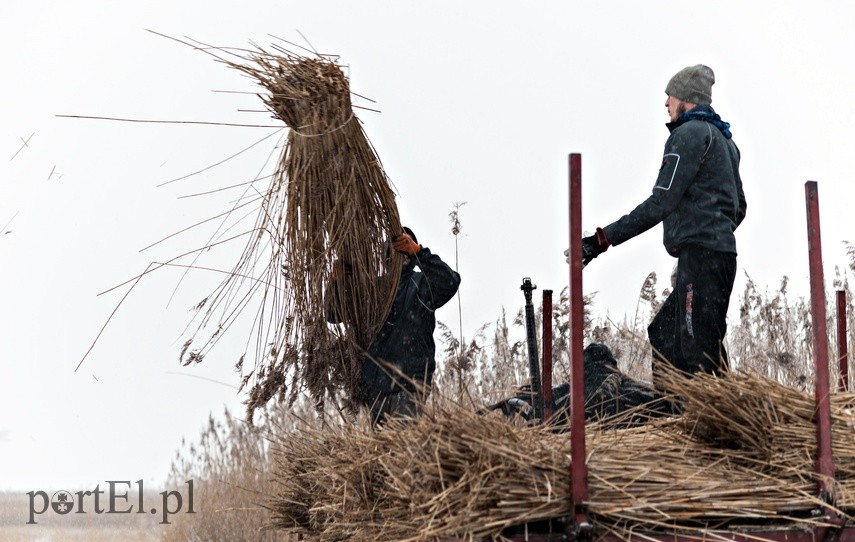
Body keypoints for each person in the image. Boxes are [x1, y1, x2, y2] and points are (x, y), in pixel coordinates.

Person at [574, 64, 747, 386]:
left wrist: (601, 240)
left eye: (671, 96)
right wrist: (711, 233)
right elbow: (740, 207)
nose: (666, 103)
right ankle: (675, 412)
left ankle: (707, 423)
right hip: (717, 255)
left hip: (702, 257)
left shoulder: (690, 134)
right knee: (666, 332)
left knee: (698, 350)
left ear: (686, 99)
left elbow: (661, 202)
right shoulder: (726, 141)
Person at [328, 227, 461, 425]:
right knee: (383, 453)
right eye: (396, 248)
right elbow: (333, 314)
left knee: (403, 443)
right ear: (386, 257)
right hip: (377, 389)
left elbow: (450, 282)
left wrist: (419, 252)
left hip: (410, 385)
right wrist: (336, 283)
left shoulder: (422, 285)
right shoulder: (375, 290)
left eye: (406, 247)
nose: (401, 253)